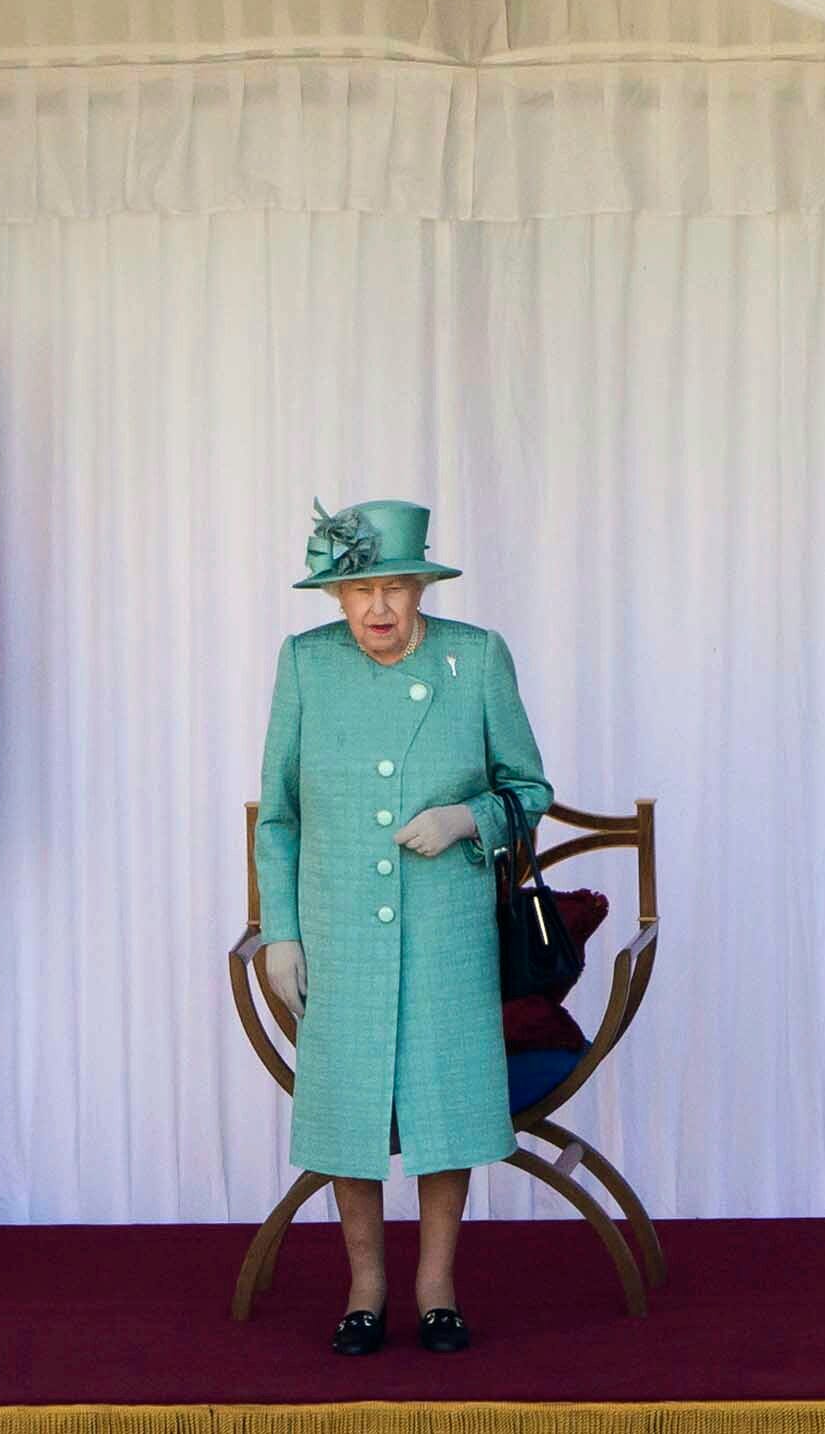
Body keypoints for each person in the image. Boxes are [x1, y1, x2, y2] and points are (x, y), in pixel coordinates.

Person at [255, 498, 553, 1356]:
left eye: (395, 586)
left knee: (443, 1103)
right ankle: (364, 1286)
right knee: (348, 1108)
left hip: (445, 929)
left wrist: (469, 819)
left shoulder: (475, 657)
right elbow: (277, 817)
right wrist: (282, 930)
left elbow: (528, 790)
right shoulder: (305, 665)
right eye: (358, 590)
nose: (378, 608)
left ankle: (435, 1287)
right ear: (333, 598)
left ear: (422, 588)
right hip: (337, 929)